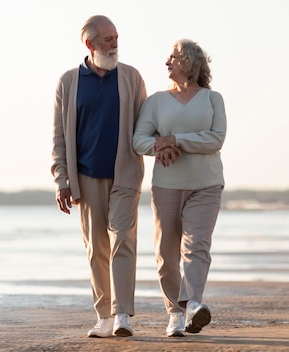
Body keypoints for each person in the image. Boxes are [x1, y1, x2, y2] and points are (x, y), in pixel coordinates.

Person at [51, 15, 147, 338]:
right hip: (86, 176)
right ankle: (103, 316)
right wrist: (61, 180)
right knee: (97, 247)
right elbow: (59, 139)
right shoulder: (68, 82)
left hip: (125, 174)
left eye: (116, 37)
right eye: (108, 39)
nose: (115, 43)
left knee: (123, 238)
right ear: (90, 44)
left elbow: (146, 126)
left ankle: (123, 314)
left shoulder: (132, 78)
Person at [132, 39, 227, 337]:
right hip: (167, 185)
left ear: (189, 62)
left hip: (206, 184)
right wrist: (158, 147)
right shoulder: (157, 101)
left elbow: (216, 139)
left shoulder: (213, 99)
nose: (167, 62)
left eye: (173, 57)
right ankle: (175, 312)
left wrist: (177, 140)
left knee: (197, 245)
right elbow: (139, 140)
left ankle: (195, 305)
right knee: (166, 253)